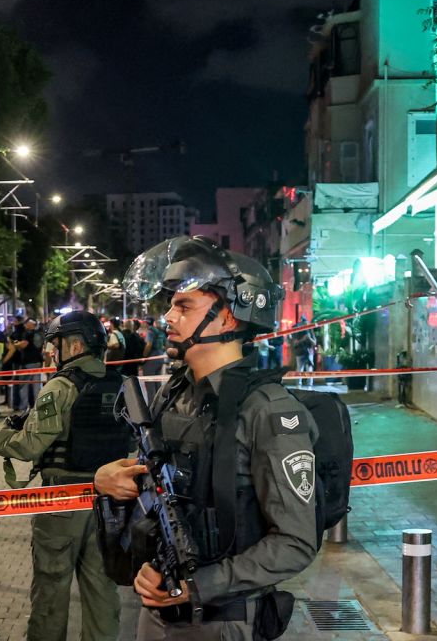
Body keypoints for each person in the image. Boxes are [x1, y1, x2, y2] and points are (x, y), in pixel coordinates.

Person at [94, 235, 320, 640]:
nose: (168, 317)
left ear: (228, 317)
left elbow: (295, 543)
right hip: (158, 611)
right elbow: (160, 484)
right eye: (170, 305)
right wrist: (109, 480)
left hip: (222, 620)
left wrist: (200, 584)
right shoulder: (173, 392)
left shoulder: (268, 410)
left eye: (183, 305)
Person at [0, 310, 126, 641]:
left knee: (51, 591)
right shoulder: (122, 385)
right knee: (103, 592)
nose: (52, 351)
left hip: (61, 502)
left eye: (57, 344)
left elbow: (29, 445)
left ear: (75, 346)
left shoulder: (59, 387)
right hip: (109, 505)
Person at [289, 317, 317, 388]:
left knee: (309, 369)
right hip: (300, 352)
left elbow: (314, 343)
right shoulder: (297, 331)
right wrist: (303, 339)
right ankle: (298, 384)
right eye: (304, 323)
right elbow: (295, 343)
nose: (305, 324)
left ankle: (310, 385)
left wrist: (309, 339)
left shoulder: (310, 330)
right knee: (300, 369)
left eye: (306, 323)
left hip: (309, 352)